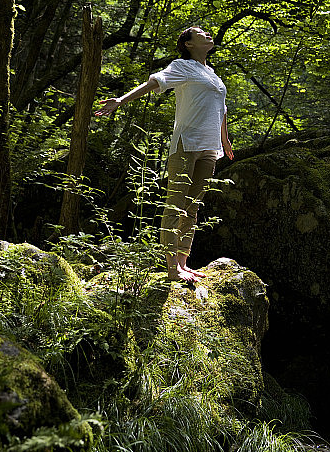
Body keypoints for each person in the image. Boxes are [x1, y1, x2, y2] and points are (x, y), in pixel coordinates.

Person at [95, 26, 234, 282]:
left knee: (192, 208)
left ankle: (183, 262)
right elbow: (154, 82)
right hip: (185, 144)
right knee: (175, 206)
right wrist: (120, 101)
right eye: (201, 33)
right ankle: (172, 269)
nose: (208, 34)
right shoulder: (182, 66)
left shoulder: (212, 74)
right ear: (189, 44)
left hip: (209, 148)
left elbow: (221, 108)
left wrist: (224, 140)